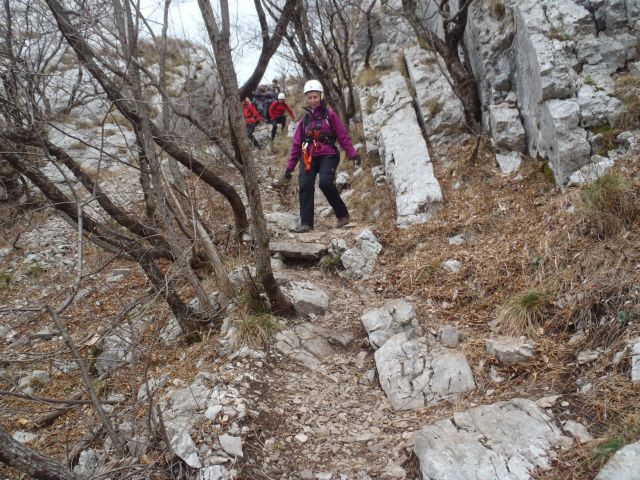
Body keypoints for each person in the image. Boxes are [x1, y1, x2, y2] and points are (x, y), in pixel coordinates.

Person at [283, 79, 361, 233]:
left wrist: (353, 153)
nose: (313, 100)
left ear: (321, 97)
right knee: (305, 186)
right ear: (306, 98)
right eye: (310, 97)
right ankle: (306, 223)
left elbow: (343, 136)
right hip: (307, 156)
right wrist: (289, 168)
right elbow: (296, 146)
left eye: (316, 97)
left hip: (328, 154)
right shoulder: (303, 122)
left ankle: (343, 215)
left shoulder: (330, 116)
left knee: (325, 183)